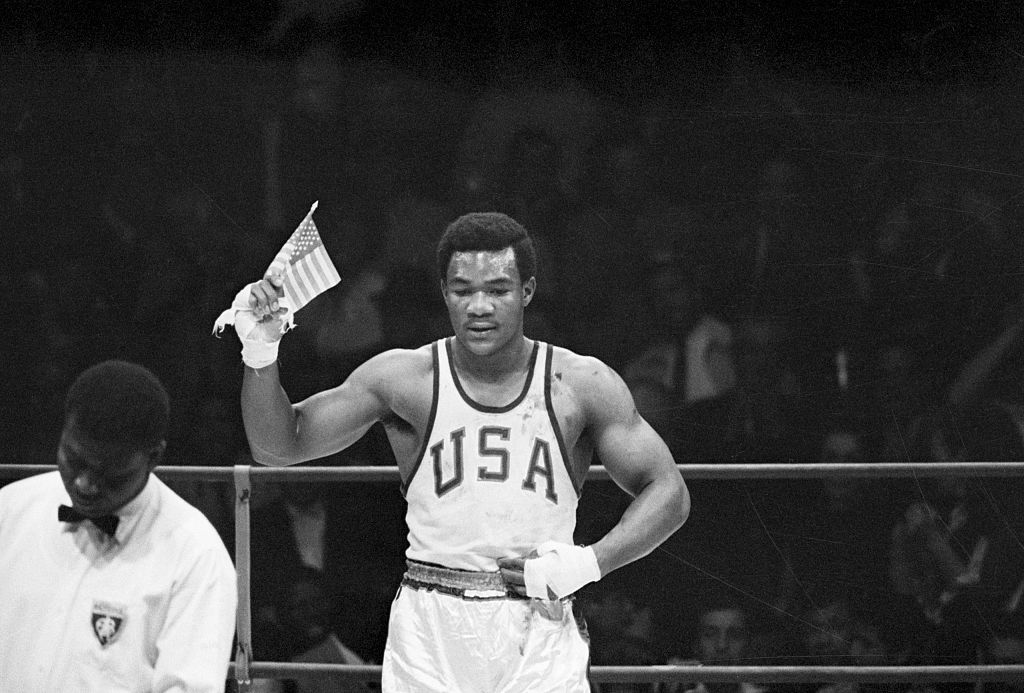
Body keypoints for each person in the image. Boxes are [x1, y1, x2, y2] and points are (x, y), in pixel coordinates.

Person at [231, 211, 690, 691]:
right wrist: (261, 352)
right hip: (430, 631)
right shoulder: (404, 379)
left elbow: (669, 494)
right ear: (444, 293)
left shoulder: (581, 384)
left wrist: (588, 562)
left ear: (528, 291)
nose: (479, 306)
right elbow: (278, 447)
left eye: (497, 290)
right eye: (463, 290)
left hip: (537, 626)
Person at [0, 359, 238, 692]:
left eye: (107, 472)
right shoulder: (9, 512)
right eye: (74, 459)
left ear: (153, 458)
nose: (84, 484)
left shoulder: (195, 555)